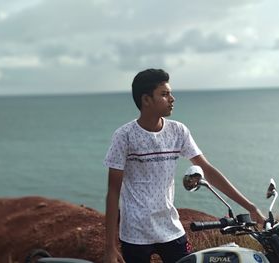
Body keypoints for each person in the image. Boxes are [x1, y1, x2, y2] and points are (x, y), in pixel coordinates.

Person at [104, 68, 264, 263]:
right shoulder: (124, 136)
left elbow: (207, 170)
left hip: (170, 228)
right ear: (146, 100)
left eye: (170, 93)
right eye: (164, 94)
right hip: (135, 233)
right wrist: (110, 247)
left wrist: (251, 207)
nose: (172, 98)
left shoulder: (178, 131)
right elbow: (113, 191)